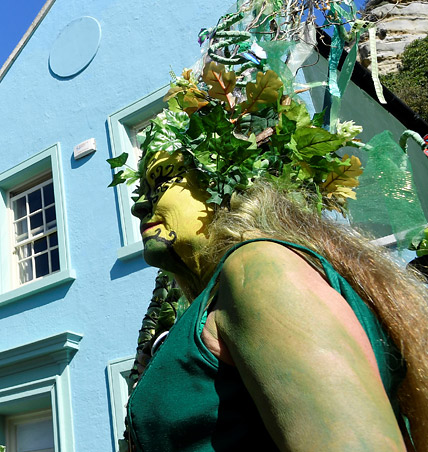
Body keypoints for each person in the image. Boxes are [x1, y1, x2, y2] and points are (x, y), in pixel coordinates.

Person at [111, 56, 428, 451]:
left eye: (160, 180)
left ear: (229, 176)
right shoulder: (225, 291)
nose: (139, 207)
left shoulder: (259, 268)